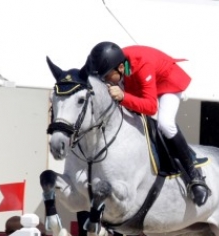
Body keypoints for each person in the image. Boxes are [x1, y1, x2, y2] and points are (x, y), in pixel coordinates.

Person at [86, 42, 210, 206]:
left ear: (120, 68)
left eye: (107, 76)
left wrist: (123, 97)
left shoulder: (142, 65)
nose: (105, 81)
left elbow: (151, 108)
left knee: (165, 124)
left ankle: (194, 175)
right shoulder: (113, 64)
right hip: (138, 82)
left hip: (167, 83)